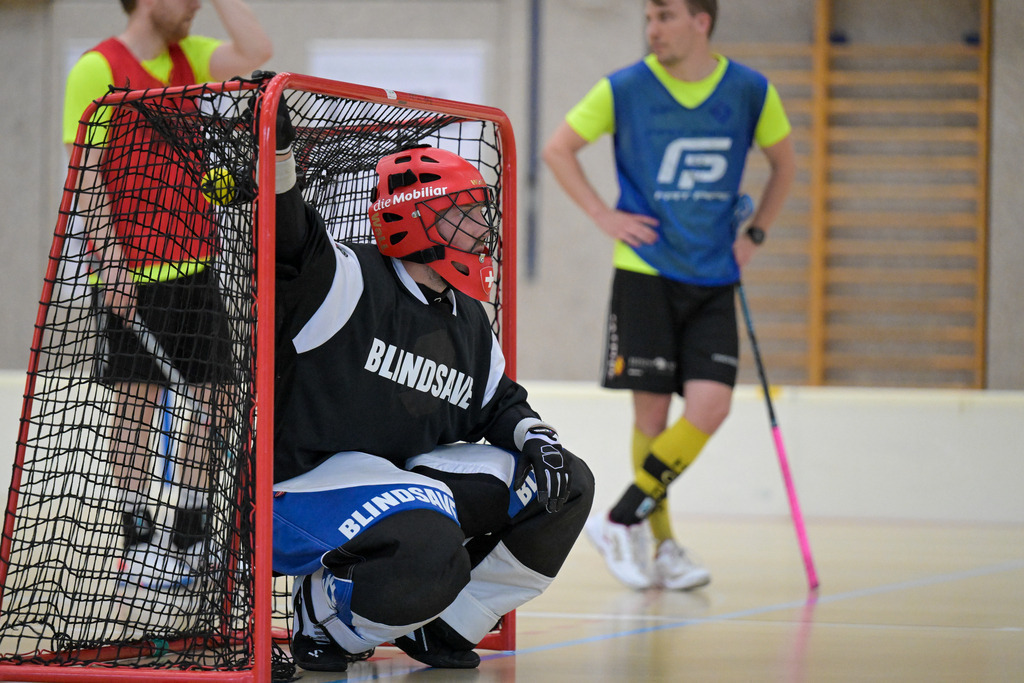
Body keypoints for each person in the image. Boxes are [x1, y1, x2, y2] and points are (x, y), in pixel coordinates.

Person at [267, 100, 594, 671]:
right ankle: (325, 620)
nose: (481, 227)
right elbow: (289, 235)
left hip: (392, 481)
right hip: (299, 487)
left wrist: (535, 438)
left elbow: (498, 405)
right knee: (430, 544)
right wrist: (278, 154)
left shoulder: (466, 315)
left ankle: (445, 625)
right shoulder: (343, 278)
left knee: (563, 483)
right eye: (462, 213)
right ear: (414, 218)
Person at [542, 0, 795, 591]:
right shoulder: (623, 88)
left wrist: (755, 235)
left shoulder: (752, 91)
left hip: (713, 277)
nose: (652, 29)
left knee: (711, 407)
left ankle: (618, 518)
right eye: (649, 19)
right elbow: (558, 149)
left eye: (664, 16)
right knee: (651, 415)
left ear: (701, 21)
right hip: (645, 271)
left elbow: (784, 165)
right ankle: (663, 546)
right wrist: (603, 215)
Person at [62, 0, 272, 589]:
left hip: (198, 270)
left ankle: (187, 538)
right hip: (132, 275)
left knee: (216, 404)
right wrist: (110, 268)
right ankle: (137, 544)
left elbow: (257, 53)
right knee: (134, 413)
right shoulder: (96, 67)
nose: (195, 7)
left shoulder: (194, 58)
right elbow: (87, 181)